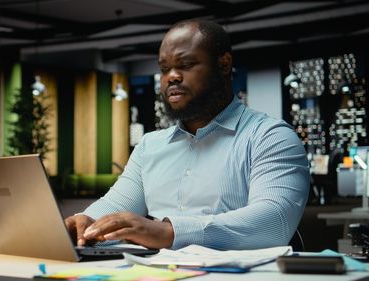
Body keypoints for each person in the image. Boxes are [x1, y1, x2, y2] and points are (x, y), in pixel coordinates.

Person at [65, 19, 310, 250]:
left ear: (224, 64)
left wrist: (168, 232)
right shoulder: (150, 146)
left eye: (186, 65)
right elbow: (115, 207)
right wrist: (86, 224)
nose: (172, 77)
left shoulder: (270, 137)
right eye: (164, 69)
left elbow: (274, 221)